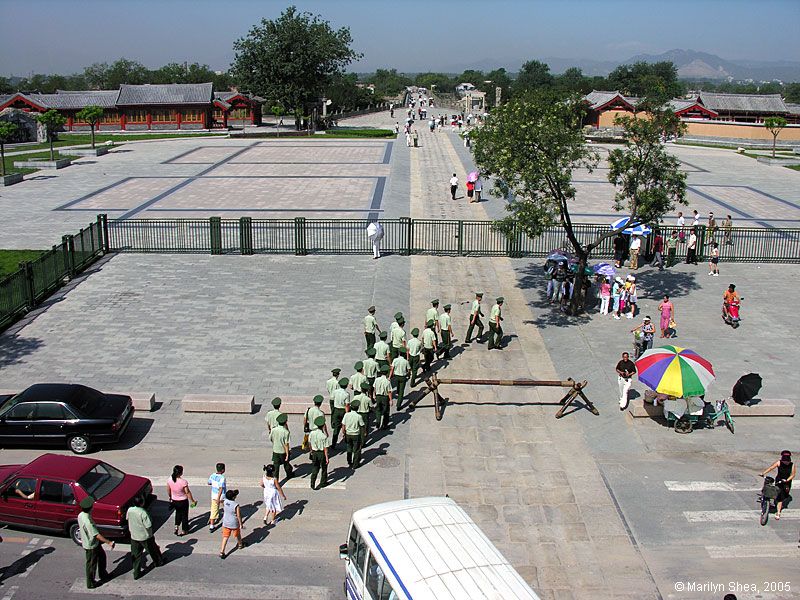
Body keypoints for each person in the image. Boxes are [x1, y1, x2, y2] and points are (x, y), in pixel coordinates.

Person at [78, 496, 114, 589]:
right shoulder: (87, 521)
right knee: (91, 565)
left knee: (102, 557)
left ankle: (103, 575)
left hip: (94, 543)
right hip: (91, 545)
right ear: (90, 508)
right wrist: (108, 542)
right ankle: (90, 583)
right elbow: (96, 535)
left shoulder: (81, 515)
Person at [127, 495, 164, 579]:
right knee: (153, 550)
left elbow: (128, 519)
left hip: (134, 536)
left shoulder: (130, 510)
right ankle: (158, 562)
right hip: (145, 536)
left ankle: (136, 572)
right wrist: (151, 535)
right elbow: (148, 526)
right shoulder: (143, 513)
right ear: (141, 503)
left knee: (136, 555)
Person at [760, 451, 795, 520]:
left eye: (787, 461)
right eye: (785, 460)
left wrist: (787, 480)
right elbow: (771, 468)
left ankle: (778, 510)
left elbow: (793, 474)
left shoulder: (792, 465)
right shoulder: (779, 462)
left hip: (786, 483)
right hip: (778, 481)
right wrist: (763, 473)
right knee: (779, 496)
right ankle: (778, 511)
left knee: (782, 496)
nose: (786, 462)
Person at [167, 465, 196, 536]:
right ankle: (184, 530)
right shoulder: (183, 482)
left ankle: (176, 526)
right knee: (184, 516)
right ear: (181, 473)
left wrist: (170, 497)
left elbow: (168, 489)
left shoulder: (170, 479)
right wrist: (193, 501)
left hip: (174, 500)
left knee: (178, 513)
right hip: (183, 501)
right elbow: (187, 492)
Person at [219, 489, 245, 559]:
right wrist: (241, 524)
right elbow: (239, 516)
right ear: (234, 497)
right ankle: (240, 544)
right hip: (234, 523)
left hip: (226, 523)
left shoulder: (225, 502)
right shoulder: (236, 505)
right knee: (237, 535)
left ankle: (222, 551)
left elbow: (221, 500)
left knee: (225, 537)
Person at [342, 400, 366, 468]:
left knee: (349, 447)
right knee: (357, 450)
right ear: (357, 408)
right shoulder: (359, 416)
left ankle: (349, 461)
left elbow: (343, 425)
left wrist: (344, 432)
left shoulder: (346, 415)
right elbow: (362, 426)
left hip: (348, 434)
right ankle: (355, 464)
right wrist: (364, 433)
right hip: (356, 435)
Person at [308, 416, 330, 490]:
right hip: (321, 454)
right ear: (323, 425)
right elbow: (325, 448)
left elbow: (309, 443)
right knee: (324, 468)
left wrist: (311, 451)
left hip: (314, 453)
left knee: (315, 468)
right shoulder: (324, 436)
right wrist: (327, 457)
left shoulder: (312, 433)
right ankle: (323, 482)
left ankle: (312, 482)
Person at [270, 413, 293, 480]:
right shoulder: (286, 432)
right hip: (283, 451)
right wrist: (287, 454)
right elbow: (286, 444)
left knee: (276, 467)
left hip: (275, 450)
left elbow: (271, 438)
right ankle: (289, 474)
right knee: (286, 464)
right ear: (285, 422)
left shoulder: (273, 430)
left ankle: (275, 481)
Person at [330, 377, 350, 449]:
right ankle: (346, 439)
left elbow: (332, 399)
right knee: (345, 425)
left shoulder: (335, 392)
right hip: (342, 411)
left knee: (336, 428)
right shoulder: (346, 394)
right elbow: (347, 405)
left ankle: (333, 444)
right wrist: (347, 414)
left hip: (336, 410)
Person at [207, 463, 226, 532]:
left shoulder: (212, 475)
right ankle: (226, 522)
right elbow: (221, 488)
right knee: (226, 508)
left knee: (213, 510)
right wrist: (219, 498)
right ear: (223, 470)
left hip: (213, 496)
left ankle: (211, 526)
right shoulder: (222, 478)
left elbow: (209, 483)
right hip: (221, 496)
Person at [374, 365, 392, 430]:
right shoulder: (387, 381)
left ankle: (378, 422)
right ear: (387, 373)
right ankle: (385, 424)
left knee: (378, 409)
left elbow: (375, 388)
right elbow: (389, 391)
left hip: (378, 396)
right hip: (385, 397)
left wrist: (374, 395)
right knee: (386, 411)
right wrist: (391, 400)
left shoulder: (377, 380)